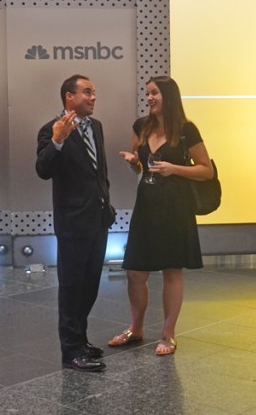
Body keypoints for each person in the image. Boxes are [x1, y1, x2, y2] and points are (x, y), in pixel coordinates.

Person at [110, 76, 214, 355]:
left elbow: (206, 170)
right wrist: (134, 163)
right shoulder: (141, 126)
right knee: (135, 271)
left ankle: (168, 334)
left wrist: (174, 168)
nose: (149, 98)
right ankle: (135, 328)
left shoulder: (186, 130)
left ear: (169, 95)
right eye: (147, 93)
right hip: (147, 205)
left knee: (171, 270)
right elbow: (141, 167)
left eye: (154, 92)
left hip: (175, 207)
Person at [36, 74, 115, 372]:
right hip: (72, 222)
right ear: (69, 97)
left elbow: (98, 171)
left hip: (98, 219)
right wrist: (58, 140)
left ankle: (80, 340)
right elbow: (43, 169)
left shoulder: (96, 127)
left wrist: (106, 202)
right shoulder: (51, 130)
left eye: (94, 92)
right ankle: (70, 351)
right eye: (87, 92)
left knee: (89, 285)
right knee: (71, 288)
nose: (93, 97)